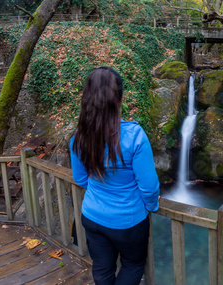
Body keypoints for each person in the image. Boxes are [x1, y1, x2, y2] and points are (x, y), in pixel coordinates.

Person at [69, 66, 160, 285]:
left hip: (92, 216)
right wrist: (150, 206)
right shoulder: (134, 136)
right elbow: (149, 187)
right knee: (133, 265)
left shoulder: (78, 138)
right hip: (128, 221)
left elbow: (80, 178)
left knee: (102, 268)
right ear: (119, 97)